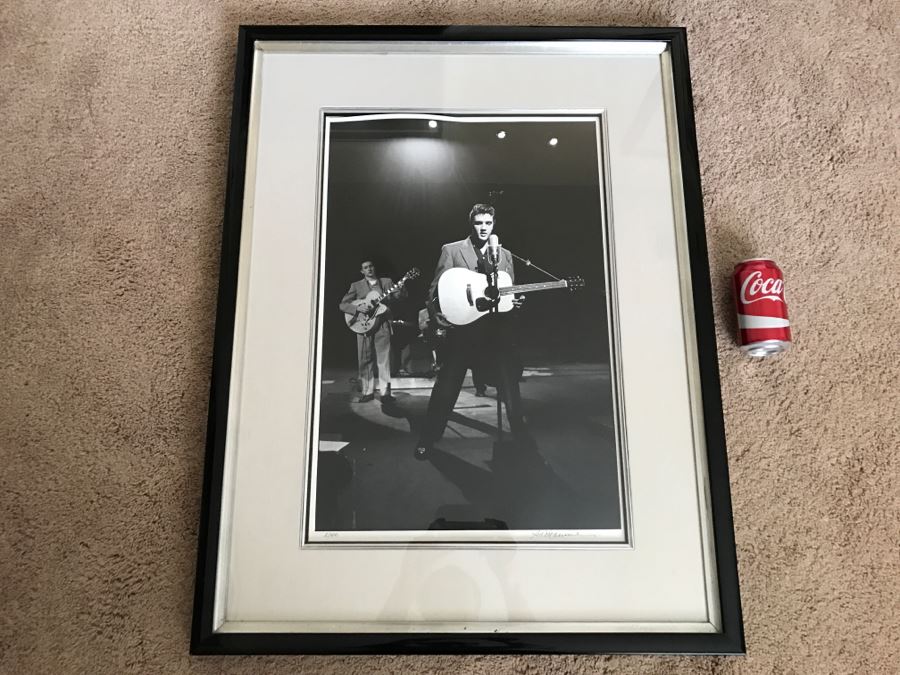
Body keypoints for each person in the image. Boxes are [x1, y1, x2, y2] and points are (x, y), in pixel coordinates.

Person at [414, 203, 527, 459]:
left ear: (494, 224)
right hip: (463, 333)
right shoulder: (452, 250)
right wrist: (442, 321)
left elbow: (509, 291)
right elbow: (435, 292)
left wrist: (517, 301)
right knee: (447, 386)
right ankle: (428, 438)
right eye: (479, 223)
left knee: (509, 384)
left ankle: (522, 436)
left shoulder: (505, 255)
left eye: (488, 223)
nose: (484, 228)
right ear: (471, 224)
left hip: (496, 333)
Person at [339, 260, 405, 403]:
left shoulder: (386, 282)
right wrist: (357, 308)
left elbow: (398, 297)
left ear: (374, 268)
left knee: (384, 360)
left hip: (382, 325)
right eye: (365, 267)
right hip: (363, 326)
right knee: (364, 359)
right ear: (362, 271)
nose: (369, 269)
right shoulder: (356, 286)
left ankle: (385, 393)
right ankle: (367, 391)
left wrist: (401, 288)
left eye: (371, 266)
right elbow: (343, 304)